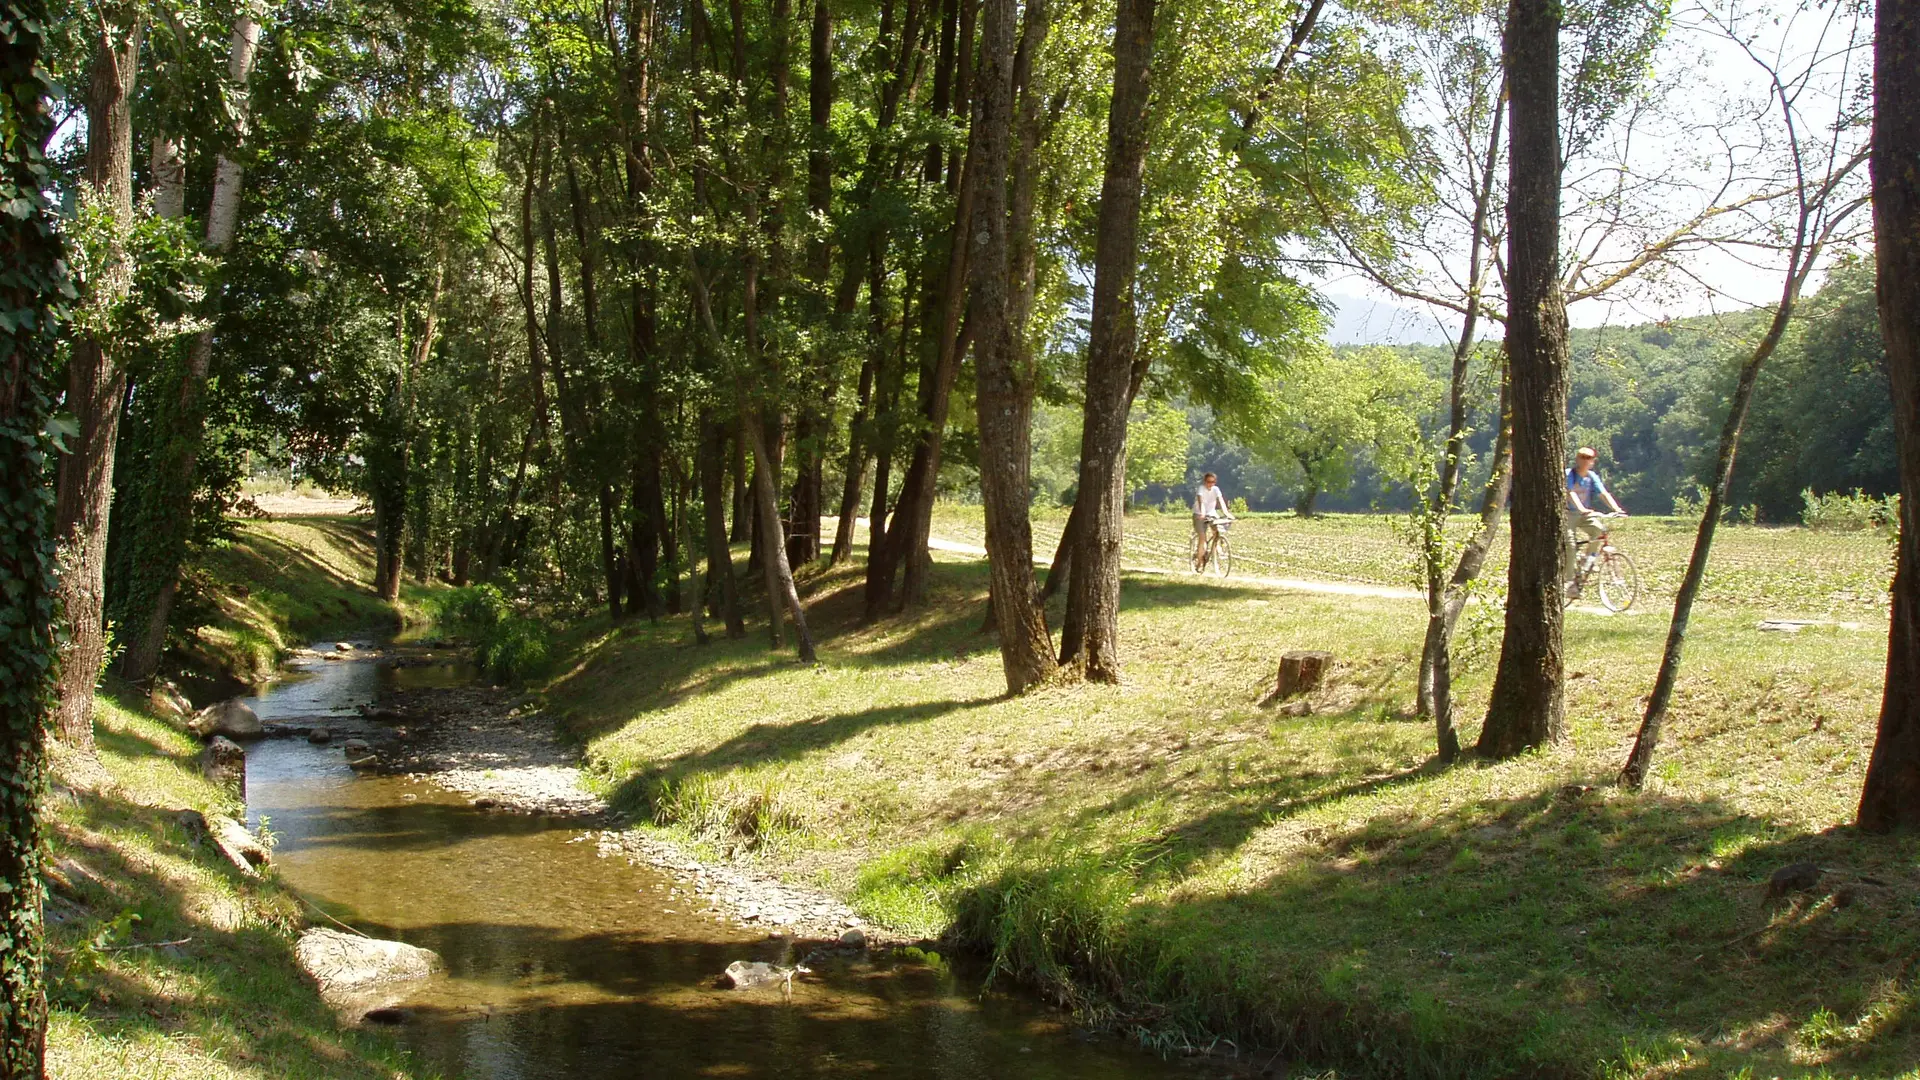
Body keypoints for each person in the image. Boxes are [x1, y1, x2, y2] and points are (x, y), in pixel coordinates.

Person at [1565, 446, 1626, 596]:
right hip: (1568, 514)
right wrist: (1580, 508)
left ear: (1593, 461)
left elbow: (1603, 493)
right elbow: (1570, 492)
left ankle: (1587, 560)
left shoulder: (1591, 477)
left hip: (1584, 514)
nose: (1586, 461)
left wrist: (1616, 509)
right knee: (1570, 546)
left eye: (1589, 458)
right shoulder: (1569, 474)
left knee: (1599, 531)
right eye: (1583, 457)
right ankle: (1569, 583)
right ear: (1578, 459)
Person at [1193, 472, 1231, 567]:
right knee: (1203, 538)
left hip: (1211, 514)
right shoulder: (1201, 489)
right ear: (1205, 482)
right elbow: (1201, 502)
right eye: (1208, 482)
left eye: (1213, 482)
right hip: (1199, 514)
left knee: (1217, 531)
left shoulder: (1216, 489)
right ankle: (1199, 561)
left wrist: (1226, 513)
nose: (1211, 484)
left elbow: (1221, 501)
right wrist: (1202, 513)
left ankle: (1217, 547)